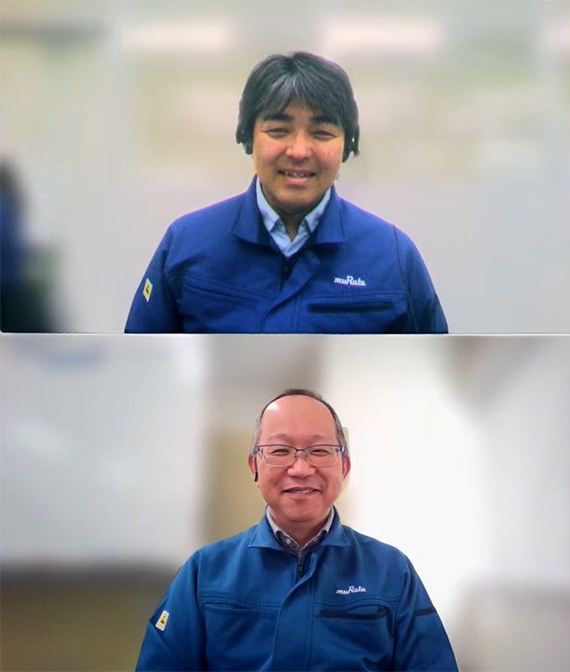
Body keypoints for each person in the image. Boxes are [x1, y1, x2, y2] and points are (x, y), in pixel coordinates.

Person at [125, 52, 447, 333]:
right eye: (278, 131)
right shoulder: (186, 245)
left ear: (347, 145)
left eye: (321, 133)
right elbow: (138, 367)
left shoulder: (392, 257)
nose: (298, 150)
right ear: (248, 136)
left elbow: (432, 377)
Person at [136, 389, 458, 670]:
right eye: (280, 451)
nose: (301, 469)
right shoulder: (203, 572)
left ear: (344, 467)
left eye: (319, 451)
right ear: (255, 467)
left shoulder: (392, 573)